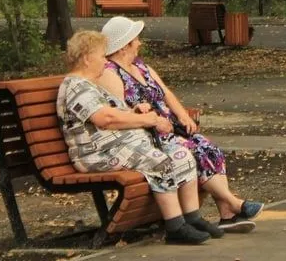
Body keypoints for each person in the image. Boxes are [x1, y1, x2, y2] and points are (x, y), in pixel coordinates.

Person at [97, 16, 263, 232]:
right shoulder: (110, 73)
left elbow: (165, 92)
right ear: (123, 46)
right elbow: (120, 113)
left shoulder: (139, 66)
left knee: (209, 148)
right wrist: (150, 119)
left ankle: (227, 212)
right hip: (149, 134)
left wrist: (182, 115)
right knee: (193, 150)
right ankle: (233, 204)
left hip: (169, 127)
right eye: (135, 39)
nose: (139, 43)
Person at [57, 30, 221, 245]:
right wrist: (148, 121)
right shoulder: (76, 87)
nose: (105, 61)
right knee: (161, 161)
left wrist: (135, 111)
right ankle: (175, 226)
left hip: (117, 146)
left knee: (182, 154)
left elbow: (115, 112)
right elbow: (104, 118)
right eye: (101, 56)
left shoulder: (91, 85)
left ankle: (192, 218)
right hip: (96, 153)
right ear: (87, 59)